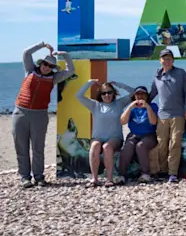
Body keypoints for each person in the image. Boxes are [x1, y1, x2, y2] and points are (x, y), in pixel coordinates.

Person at [12, 42, 74, 188]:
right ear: (40, 64)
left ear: (53, 68)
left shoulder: (54, 78)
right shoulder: (30, 71)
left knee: (38, 148)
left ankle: (39, 177)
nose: (46, 67)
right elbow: (26, 53)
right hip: (20, 112)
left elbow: (70, 70)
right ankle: (24, 177)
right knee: (21, 147)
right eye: (45, 64)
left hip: (40, 115)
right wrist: (42, 45)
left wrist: (65, 55)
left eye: (50, 66)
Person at [75, 79, 135, 187]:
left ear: (113, 93)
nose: (106, 95)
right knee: (94, 146)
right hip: (97, 138)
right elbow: (79, 96)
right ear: (100, 94)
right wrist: (90, 82)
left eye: (109, 92)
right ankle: (94, 179)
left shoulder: (119, 103)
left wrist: (118, 83)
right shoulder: (95, 105)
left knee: (107, 147)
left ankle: (109, 179)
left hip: (115, 138)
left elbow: (133, 92)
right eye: (103, 93)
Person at [148, 49, 186, 183]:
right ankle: (162, 170)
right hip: (162, 115)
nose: (166, 61)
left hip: (178, 114)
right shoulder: (157, 76)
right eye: (164, 58)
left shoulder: (180, 73)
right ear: (160, 61)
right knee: (161, 144)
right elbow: (152, 93)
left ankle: (173, 173)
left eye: (169, 58)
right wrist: (141, 103)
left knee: (175, 143)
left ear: (173, 60)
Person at [118, 86, 159, 183]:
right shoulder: (132, 109)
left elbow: (153, 122)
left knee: (140, 146)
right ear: (134, 96)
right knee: (127, 147)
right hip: (133, 134)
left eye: (143, 94)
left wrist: (147, 107)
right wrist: (130, 107)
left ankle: (145, 174)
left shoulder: (153, 106)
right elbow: (122, 121)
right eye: (138, 94)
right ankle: (121, 175)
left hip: (149, 135)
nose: (140, 96)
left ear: (146, 96)